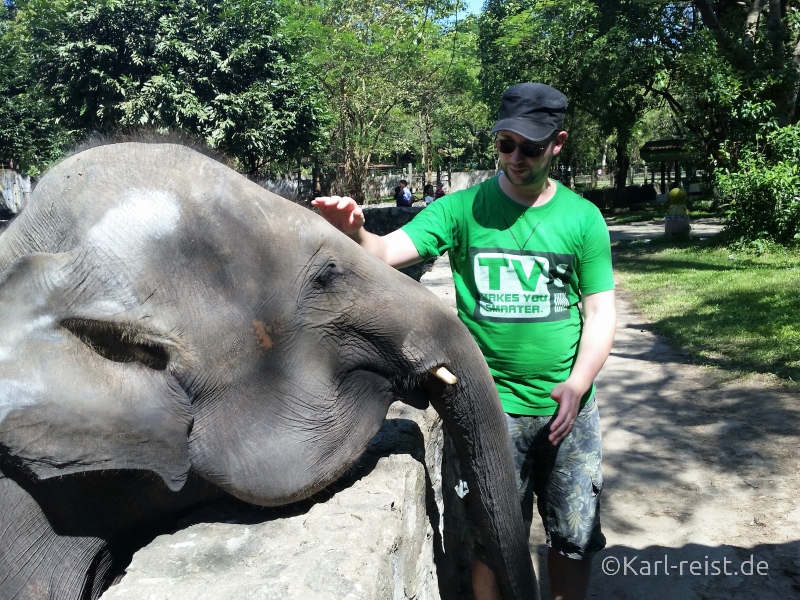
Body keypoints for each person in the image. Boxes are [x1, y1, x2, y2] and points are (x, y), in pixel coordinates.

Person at [312, 82, 616, 600]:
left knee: (573, 539)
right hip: (485, 410)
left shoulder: (582, 219)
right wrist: (353, 230)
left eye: (530, 147)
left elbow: (599, 310)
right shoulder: (461, 210)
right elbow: (385, 251)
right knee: (490, 542)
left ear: (558, 144)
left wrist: (578, 382)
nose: (515, 158)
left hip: (569, 411)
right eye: (505, 144)